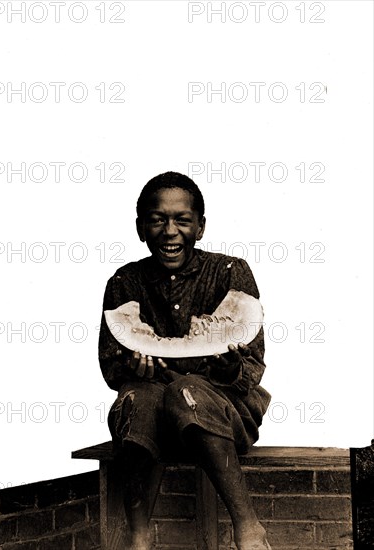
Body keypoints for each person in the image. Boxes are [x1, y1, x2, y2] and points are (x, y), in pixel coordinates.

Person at [98, 171, 272, 550]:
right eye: (158, 220)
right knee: (140, 396)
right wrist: (133, 369)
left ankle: (248, 527)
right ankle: (139, 537)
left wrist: (230, 368)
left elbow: (253, 365)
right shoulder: (123, 283)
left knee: (186, 389)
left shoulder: (230, 272)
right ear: (142, 228)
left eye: (182, 220)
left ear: (201, 227)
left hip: (223, 415)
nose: (170, 230)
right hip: (149, 420)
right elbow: (111, 366)